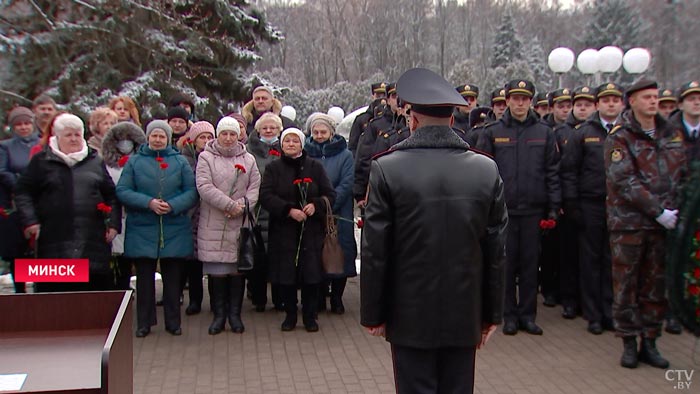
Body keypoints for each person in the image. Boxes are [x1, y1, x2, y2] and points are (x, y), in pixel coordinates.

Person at [361, 68, 507, 394]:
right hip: (464, 310)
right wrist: (491, 314)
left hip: (408, 312)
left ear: (412, 120)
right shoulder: (486, 169)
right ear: (453, 121)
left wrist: (373, 313)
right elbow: (495, 248)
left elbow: (375, 251)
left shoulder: (387, 168)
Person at [604, 80, 686, 369]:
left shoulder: (672, 134)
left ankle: (650, 341)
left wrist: (677, 210)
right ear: (633, 102)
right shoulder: (620, 137)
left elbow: (682, 175)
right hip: (630, 224)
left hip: (664, 225)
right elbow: (623, 181)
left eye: (655, 97)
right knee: (626, 284)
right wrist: (658, 210)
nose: (653, 102)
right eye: (646, 98)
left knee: (655, 285)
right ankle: (628, 341)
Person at [477, 79, 561, 336]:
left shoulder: (544, 132)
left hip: (533, 211)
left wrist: (553, 208)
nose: (520, 103)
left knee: (529, 266)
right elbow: (482, 173)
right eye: (515, 98)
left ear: (531, 101)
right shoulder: (492, 132)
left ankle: (527, 315)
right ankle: (508, 315)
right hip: (504, 212)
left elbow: (553, 172)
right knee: (506, 264)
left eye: (525, 98)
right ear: (508, 100)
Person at [14, 113, 121, 292]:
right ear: (57, 137)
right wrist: (30, 221)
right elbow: (23, 192)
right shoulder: (41, 161)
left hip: (91, 239)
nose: (73, 139)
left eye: (77, 134)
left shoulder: (95, 160)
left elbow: (111, 195)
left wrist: (113, 223)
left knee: (89, 296)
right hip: (52, 239)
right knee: (56, 299)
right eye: (68, 135)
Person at [116, 120, 197, 337]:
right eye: (154, 136)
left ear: (168, 138)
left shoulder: (180, 162)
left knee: (172, 279)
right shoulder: (134, 162)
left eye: (162, 136)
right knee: (144, 279)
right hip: (143, 226)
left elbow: (191, 191)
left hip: (174, 225)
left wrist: (173, 205)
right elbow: (123, 190)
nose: (158, 139)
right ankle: (144, 322)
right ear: (148, 137)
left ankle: (173, 322)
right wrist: (148, 202)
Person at [561, 82, 624, 335]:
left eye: (615, 100)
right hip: (590, 203)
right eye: (605, 100)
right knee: (590, 259)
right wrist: (572, 203)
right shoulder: (583, 132)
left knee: (613, 260)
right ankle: (593, 313)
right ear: (598, 105)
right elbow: (569, 170)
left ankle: (610, 311)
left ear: (621, 104)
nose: (610, 104)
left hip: (619, 205)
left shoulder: (626, 133)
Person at [259, 128, 335, 332]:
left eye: (295, 141)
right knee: (287, 276)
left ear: (302, 144)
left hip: (311, 231)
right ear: (282, 145)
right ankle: (290, 315)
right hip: (284, 230)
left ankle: (310, 316)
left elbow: (330, 194)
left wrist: (315, 205)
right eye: (287, 141)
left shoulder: (315, 167)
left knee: (310, 275)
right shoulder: (273, 168)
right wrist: (288, 210)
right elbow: (265, 196)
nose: (291, 144)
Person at [196, 117, 261, 335]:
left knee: (236, 271)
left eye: (232, 134)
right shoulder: (206, 158)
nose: (228, 137)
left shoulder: (248, 159)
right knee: (217, 273)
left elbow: (255, 187)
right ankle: (218, 315)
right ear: (218, 135)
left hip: (239, 221)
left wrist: (241, 207)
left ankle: (235, 315)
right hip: (214, 221)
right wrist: (227, 204)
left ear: (238, 135)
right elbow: (204, 186)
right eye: (224, 133)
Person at [304, 114, 357, 314]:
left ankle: (337, 297)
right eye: (315, 132)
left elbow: (347, 182)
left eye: (323, 132)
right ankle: (319, 296)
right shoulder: (306, 153)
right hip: (314, 211)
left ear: (331, 133)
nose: (319, 136)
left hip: (338, 211)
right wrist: (316, 205)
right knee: (317, 254)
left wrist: (329, 204)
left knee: (339, 253)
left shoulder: (345, 155)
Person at [245, 112, 285, 312]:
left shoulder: (286, 148)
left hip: (280, 210)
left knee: (278, 257)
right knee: (258, 255)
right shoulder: (248, 151)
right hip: (257, 209)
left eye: (273, 128)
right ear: (258, 130)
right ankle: (258, 297)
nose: (269, 131)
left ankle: (280, 298)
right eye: (265, 128)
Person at [101, 121, 146, 290]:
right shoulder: (104, 164)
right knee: (117, 254)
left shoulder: (143, 162)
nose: (125, 144)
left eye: (129, 140)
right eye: (121, 140)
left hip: (138, 213)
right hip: (115, 213)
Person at [0, 106, 39, 293]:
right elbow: (3, 171)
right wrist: (20, 185)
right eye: (19, 124)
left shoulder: (43, 144)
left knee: (40, 249)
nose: (23, 127)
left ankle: (42, 286)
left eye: (26, 123)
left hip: (41, 200)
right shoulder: (5, 147)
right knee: (18, 250)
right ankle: (20, 290)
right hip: (16, 203)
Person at [179, 121, 215, 315]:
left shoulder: (216, 157)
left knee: (211, 259)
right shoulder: (184, 160)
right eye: (203, 137)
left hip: (211, 212)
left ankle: (215, 300)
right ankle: (195, 299)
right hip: (192, 214)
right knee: (193, 260)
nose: (207, 141)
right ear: (193, 140)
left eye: (210, 137)